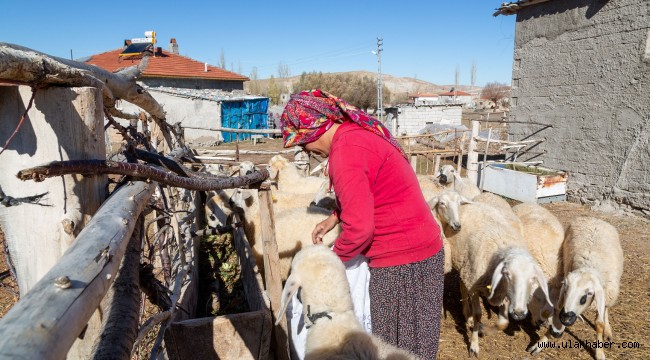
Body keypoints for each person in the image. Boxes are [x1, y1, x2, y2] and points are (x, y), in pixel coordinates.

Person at [280, 89, 444, 359]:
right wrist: (335, 218)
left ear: (313, 130)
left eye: (302, 143)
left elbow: (360, 230)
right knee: (415, 345)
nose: (306, 150)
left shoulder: (345, 153)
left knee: (396, 349)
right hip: (420, 251)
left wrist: (327, 264)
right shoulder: (356, 134)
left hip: (400, 264)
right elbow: (372, 191)